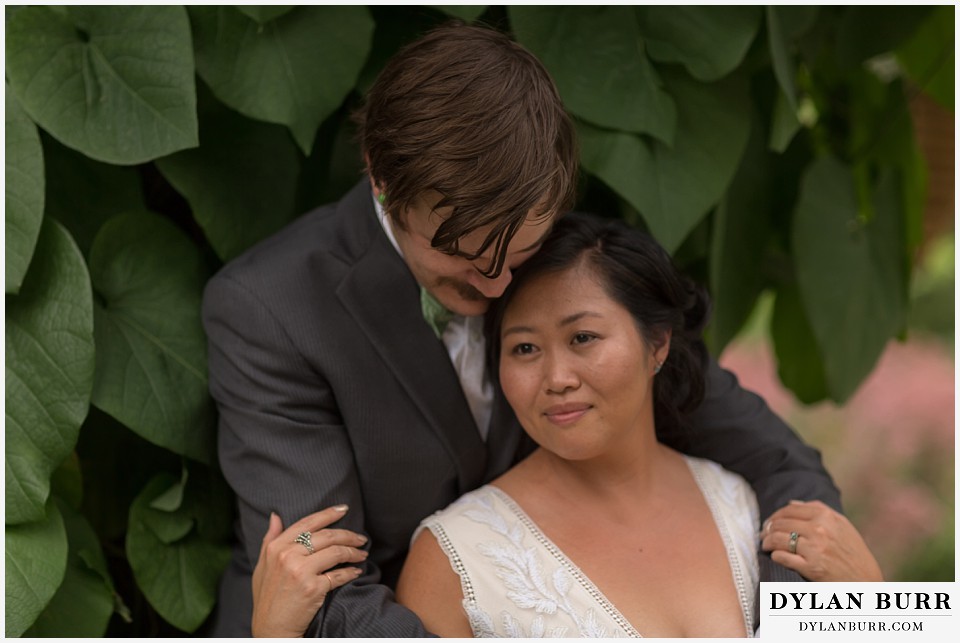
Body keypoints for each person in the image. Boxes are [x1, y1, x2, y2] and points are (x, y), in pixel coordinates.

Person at [202, 23, 843, 638]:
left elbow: (785, 465)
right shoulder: (270, 309)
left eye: (515, 252)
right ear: (381, 175)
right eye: (460, 253)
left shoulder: (570, 260)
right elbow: (320, 588)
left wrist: (811, 619)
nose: (495, 286)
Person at [250, 215, 883, 638]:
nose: (556, 376)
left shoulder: (748, 505)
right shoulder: (458, 558)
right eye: (524, 349)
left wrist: (875, 602)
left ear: (658, 344)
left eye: (583, 337)